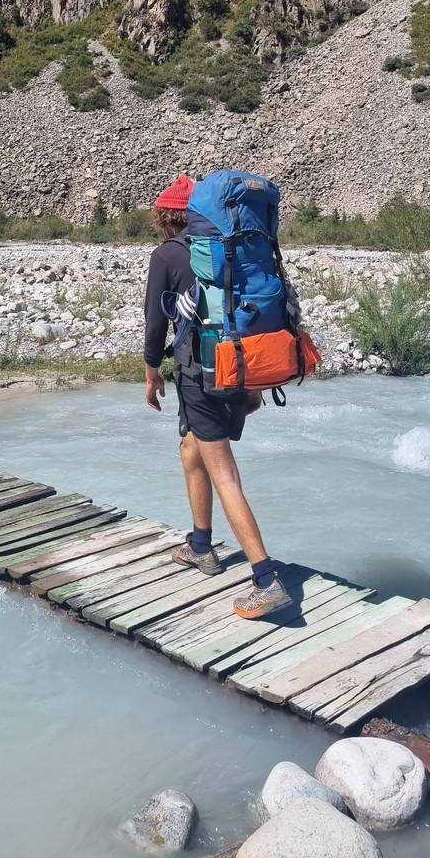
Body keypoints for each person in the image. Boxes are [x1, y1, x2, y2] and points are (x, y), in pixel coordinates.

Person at [144, 174, 293, 621]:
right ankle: (201, 546)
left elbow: (155, 324)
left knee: (224, 473)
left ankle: (266, 579)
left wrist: (152, 374)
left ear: (168, 218)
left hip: (200, 375)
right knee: (191, 447)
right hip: (241, 368)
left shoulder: (168, 254)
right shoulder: (238, 252)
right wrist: (253, 387)